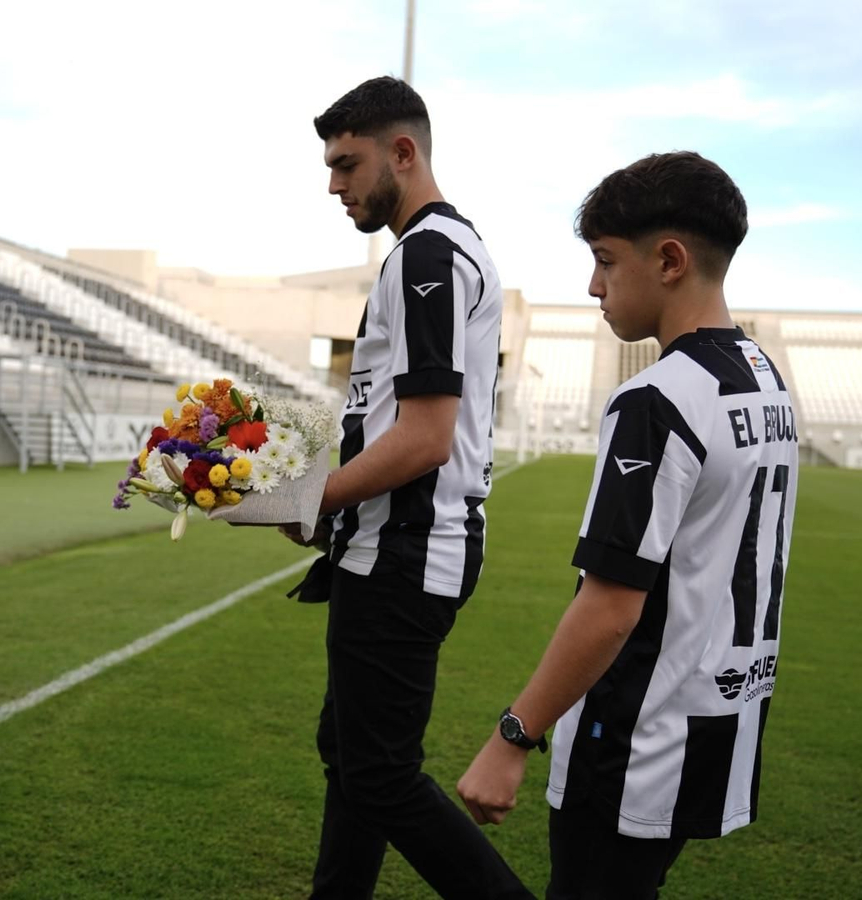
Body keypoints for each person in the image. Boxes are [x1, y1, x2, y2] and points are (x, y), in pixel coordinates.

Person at [456, 151, 800, 899]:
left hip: (638, 738)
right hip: (722, 716)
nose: (593, 285)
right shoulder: (765, 377)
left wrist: (513, 736)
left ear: (670, 260)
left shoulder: (657, 398)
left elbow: (612, 605)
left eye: (606, 261)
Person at [295, 76, 531, 900]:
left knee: (381, 772)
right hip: (394, 546)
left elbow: (427, 436)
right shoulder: (437, 250)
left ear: (405, 152)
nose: (333, 184)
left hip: (404, 552)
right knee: (353, 756)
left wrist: (312, 498)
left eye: (347, 163)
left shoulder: (428, 255)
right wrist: (332, 507)